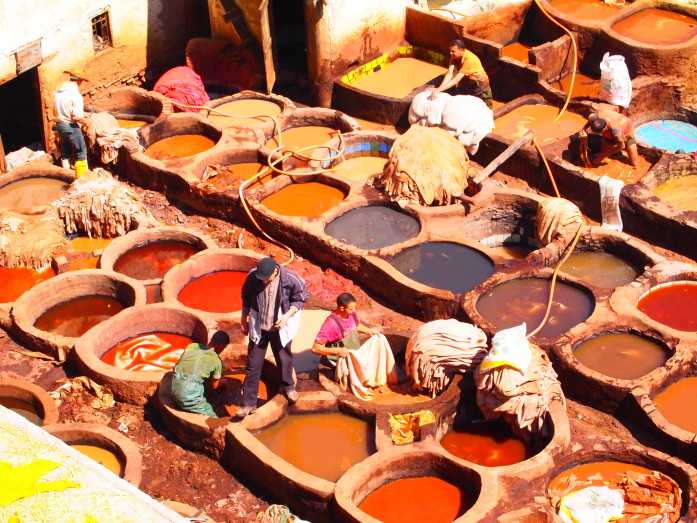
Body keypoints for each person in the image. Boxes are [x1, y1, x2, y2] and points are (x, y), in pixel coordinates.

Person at [238, 257, 308, 417]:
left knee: (284, 360)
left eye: (265, 278)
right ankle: (249, 404)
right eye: (260, 278)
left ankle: (288, 387)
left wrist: (287, 316)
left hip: (279, 327)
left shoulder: (290, 279)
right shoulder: (253, 276)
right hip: (259, 327)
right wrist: (244, 318)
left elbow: (300, 299)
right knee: (253, 365)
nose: (262, 281)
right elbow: (246, 296)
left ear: (274, 271)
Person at [171, 331, 230, 418]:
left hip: (173, 390)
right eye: (224, 347)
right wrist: (223, 383)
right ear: (221, 346)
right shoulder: (215, 360)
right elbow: (214, 386)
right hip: (187, 398)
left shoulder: (192, 346)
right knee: (214, 420)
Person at [311, 292, 380, 362]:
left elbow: (356, 326)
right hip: (340, 360)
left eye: (354, 308)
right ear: (342, 308)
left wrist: (369, 331)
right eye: (351, 309)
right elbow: (315, 348)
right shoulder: (331, 324)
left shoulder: (351, 314)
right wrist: (338, 350)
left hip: (353, 354)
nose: (354, 311)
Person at [430, 40, 493, 109]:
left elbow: (456, 80)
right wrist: (440, 88)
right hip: (467, 80)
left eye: (453, 51)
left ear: (461, 50)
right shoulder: (454, 56)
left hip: (479, 83)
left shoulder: (469, 59)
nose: (450, 53)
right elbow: (449, 74)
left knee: (485, 107)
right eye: (450, 51)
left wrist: (438, 90)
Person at [53, 70, 92, 173]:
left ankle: (66, 172)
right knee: (81, 150)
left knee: (65, 149)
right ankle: (82, 176)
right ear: (79, 81)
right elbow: (76, 117)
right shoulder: (75, 95)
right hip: (70, 126)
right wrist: (86, 121)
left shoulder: (59, 90)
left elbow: (63, 109)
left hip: (59, 125)